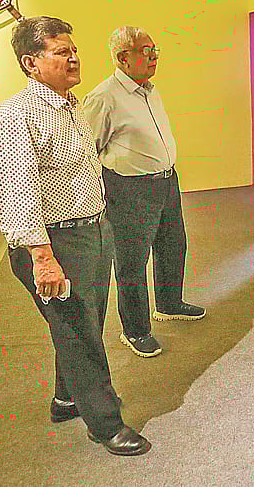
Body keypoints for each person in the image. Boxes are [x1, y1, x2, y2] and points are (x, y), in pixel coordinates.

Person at [0, 16, 150, 456]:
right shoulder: (16, 115)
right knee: (80, 333)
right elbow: (16, 190)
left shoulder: (71, 107)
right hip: (53, 244)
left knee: (83, 325)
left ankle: (66, 399)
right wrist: (42, 257)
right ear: (31, 62)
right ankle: (105, 424)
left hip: (92, 233)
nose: (74, 58)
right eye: (61, 52)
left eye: (74, 50)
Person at [81, 26, 205, 360]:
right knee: (132, 262)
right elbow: (89, 152)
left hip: (166, 182)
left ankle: (169, 303)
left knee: (172, 245)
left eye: (154, 50)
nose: (153, 57)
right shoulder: (104, 97)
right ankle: (135, 330)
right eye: (145, 51)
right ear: (123, 58)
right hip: (129, 189)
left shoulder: (150, 90)